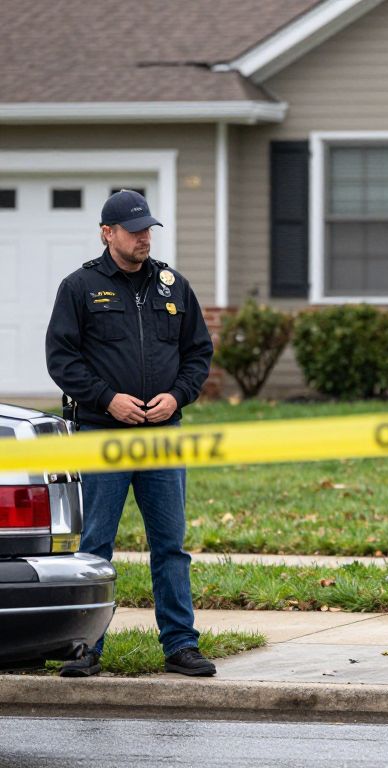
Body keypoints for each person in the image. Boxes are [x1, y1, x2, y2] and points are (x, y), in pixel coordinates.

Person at [45, 189, 216, 677]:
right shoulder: (79, 287)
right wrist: (107, 398)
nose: (144, 237)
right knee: (94, 547)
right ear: (108, 233)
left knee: (170, 545)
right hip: (102, 434)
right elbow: (62, 359)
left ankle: (181, 646)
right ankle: (84, 646)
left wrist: (177, 396)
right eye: (134, 229)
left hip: (164, 436)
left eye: (148, 229)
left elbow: (197, 353)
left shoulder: (172, 286)